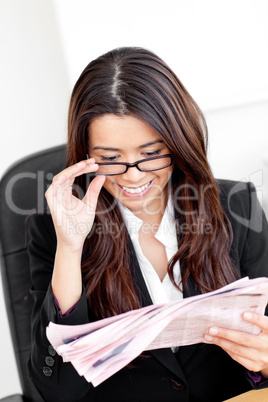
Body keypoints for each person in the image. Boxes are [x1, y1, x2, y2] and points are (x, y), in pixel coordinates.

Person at [27, 47, 268, 402]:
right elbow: (57, 391)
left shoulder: (237, 206)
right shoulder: (54, 233)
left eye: (151, 153)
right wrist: (71, 248)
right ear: (86, 156)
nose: (134, 176)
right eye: (110, 159)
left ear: (178, 141)